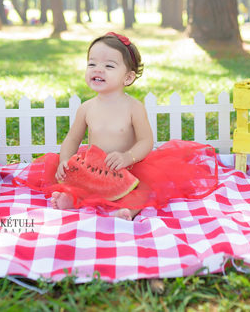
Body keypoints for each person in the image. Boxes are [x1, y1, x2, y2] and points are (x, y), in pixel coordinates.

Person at [15, 32, 220, 220]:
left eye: (109, 66)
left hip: (130, 167)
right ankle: (71, 198)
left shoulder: (134, 107)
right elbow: (73, 139)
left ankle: (128, 211)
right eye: (92, 64)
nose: (98, 69)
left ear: (128, 77)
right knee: (78, 180)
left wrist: (127, 157)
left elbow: (146, 141)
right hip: (92, 166)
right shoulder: (86, 108)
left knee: (144, 189)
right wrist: (66, 159)